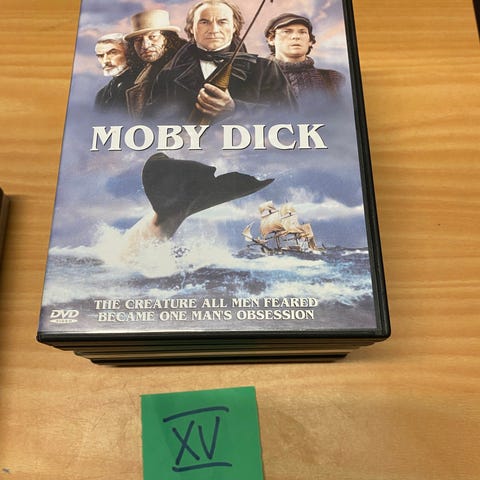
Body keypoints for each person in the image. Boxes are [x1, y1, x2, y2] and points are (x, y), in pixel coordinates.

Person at [147, 0, 297, 123]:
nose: (213, 29)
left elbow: (291, 118)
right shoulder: (167, 76)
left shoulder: (265, 69)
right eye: (204, 22)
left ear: (234, 27)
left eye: (222, 22)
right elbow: (150, 124)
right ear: (191, 28)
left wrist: (236, 109)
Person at [264, 13, 345, 102]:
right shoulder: (257, 77)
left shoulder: (333, 79)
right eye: (287, 31)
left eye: (302, 32)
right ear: (271, 39)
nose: (296, 36)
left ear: (310, 41)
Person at [124, 9, 187, 118]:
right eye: (138, 40)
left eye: (152, 37)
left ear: (168, 38)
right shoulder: (138, 77)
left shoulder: (188, 69)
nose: (145, 45)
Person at [94, 33, 140, 114]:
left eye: (113, 53)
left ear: (128, 53)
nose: (105, 61)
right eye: (100, 56)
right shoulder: (101, 94)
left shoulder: (142, 85)